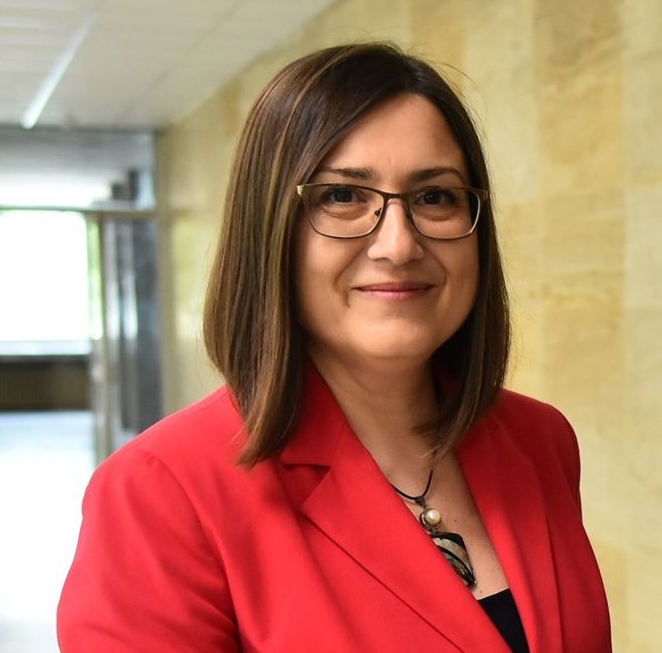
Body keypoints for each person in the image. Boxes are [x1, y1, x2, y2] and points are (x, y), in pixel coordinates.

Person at [57, 43, 611, 652]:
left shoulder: (541, 440)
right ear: (271, 232)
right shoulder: (161, 495)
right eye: (343, 196)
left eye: (435, 196)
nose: (399, 245)